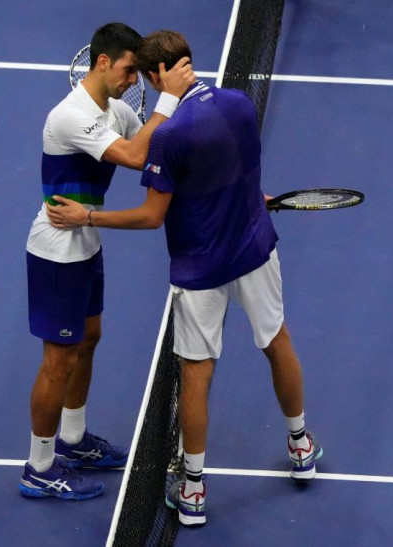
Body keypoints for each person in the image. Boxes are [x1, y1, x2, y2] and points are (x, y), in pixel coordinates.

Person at [46, 30, 322, 524]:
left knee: (196, 374)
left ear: (157, 77)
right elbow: (240, 170)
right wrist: (244, 202)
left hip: (200, 269)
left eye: (143, 79)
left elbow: (151, 216)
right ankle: (301, 444)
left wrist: (87, 218)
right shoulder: (239, 103)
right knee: (278, 342)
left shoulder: (169, 136)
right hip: (255, 248)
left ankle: (193, 490)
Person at [19, 22, 196, 500]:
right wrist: (167, 100)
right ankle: (39, 466)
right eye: (129, 69)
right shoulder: (71, 115)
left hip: (86, 241)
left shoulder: (116, 109)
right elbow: (137, 157)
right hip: (56, 251)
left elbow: (161, 147)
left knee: (88, 339)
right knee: (58, 361)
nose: (134, 80)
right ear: (102, 62)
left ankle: (73, 441)